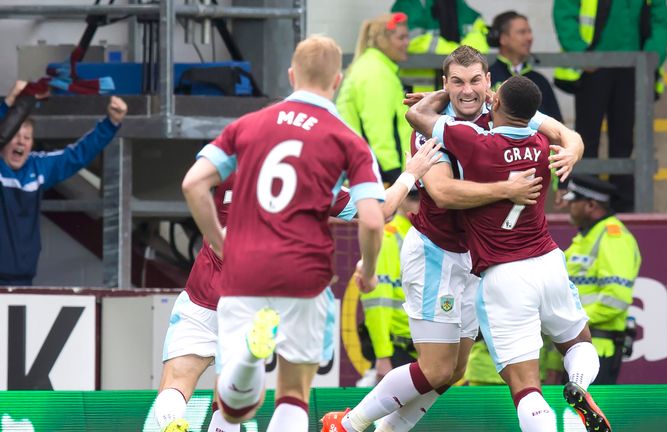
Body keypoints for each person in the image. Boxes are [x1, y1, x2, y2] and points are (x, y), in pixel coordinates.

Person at [321, 46, 588, 432]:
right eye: (457, 83)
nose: (467, 90)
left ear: (489, 84)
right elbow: (444, 192)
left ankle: (379, 430)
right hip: (436, 256)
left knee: (452, 371)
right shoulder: (431, 128)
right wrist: (506, 189)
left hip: (476, 262)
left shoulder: (503, 112)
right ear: (445, 86)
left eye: (475, 80)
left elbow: (563, 132)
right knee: (436, 368)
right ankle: (348, 424)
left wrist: (574, 149)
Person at [155, 142, 442, 432]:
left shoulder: (231, 161)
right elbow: (381, 211)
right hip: (256, 302)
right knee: (252, 395)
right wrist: (409, 174)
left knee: (177, 380)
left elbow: (193, 183)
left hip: (204, 293)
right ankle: (248, 362)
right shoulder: (313, 179)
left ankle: (171, 423)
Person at [181, 34, 389, 431]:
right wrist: (370, 270)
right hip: (304, 274)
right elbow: (373, 219)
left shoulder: (246, 125)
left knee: (234, 409)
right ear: (338, 80)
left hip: (244, 270)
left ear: (291, 75)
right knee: (293, 393)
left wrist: (222, 241)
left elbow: (193, 184)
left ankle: (246, 360)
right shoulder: (349, 141)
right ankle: (250, 362)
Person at [404, 76, 612, 432]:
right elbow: (565, 134)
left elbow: (417, 116)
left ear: (495, 102)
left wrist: (448, 95)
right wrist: (573, 145)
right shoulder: (542, 144)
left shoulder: (475, 143)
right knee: (578, 342)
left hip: (504, 275)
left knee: (525, 386)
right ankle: (578, 382)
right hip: (548, 261)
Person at [0, 81, 126, 286]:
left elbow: (76, 155)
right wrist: (10, 102)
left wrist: (111, 123)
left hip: (23, 281)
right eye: (15, 135)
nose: (21, 142)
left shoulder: (37, 167)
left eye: (27, 137)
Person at [553, 0, 667, 212]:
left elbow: (661, 22)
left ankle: (622, 206)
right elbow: (565, 11)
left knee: (624, 142)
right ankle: (586, 202)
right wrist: (581, 55)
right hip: (593, 68)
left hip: (633, 68)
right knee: (586, 140)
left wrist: (650, 57)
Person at [562, 175, 641, 384]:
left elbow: (616, 299)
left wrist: (572, 322)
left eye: (573, 200)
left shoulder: (614, 237)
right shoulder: (584, 237)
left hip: (597, 348)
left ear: (590, 204)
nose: (567, 205)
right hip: (576, 346)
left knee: (588, 415)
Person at [336, 12, 412, 186]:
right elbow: (379, 131)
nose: (407, 42)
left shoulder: (374, 67)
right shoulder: (375, 73)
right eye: (401, 38)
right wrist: (394, 177)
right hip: (377, 175)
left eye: (407, 37)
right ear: (382, 40)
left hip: (367, 171)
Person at [358, 190, 421, 386]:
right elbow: (377, 303)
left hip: (426, 349)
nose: (418, 202)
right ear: (400, 199)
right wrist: (383, 356)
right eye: (412, 196)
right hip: (398, 352)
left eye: (423, 196)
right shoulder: (387, 237)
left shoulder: (430, 236)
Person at [487, 11, 562, 122]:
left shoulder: (540, 81)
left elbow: (558, 126)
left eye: (529, 32)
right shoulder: (487, 77)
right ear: (503, 38)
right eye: (522, 32)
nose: (529, 37)